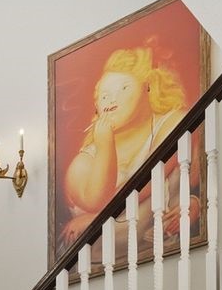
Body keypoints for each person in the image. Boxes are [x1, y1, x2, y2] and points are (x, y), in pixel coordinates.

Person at [61, 46, 191, 255]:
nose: (111, 100)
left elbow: (149, 178)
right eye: (104, 95)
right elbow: (96, 200)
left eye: (123, 89)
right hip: (95, 268)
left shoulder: (171, 123)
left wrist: (97, 218)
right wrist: (105, 146)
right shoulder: (85, 160)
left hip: (157, 258)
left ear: (147, 87)